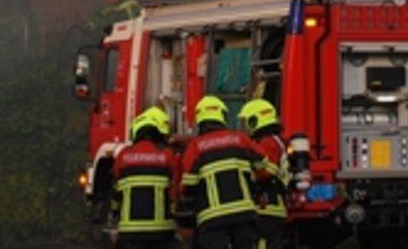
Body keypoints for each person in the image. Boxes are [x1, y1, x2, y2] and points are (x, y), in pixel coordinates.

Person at [179, 95, 268, 249]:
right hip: (244, 215)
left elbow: (188, 185)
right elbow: (263, 162)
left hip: (212, 219)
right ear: (223, 117)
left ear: (199, 120)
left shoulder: (195, 147)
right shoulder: (241, 139)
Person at [112, 106, 179, 249]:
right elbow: (177, 190)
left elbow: (115, 193)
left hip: (129, 234)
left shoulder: (123, 157)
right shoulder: (167, 155)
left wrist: (116, 214)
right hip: (161, 234)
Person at [238, 99, 289, 249]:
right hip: (269, 205)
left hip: (268, 206)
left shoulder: (268, 142)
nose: (245, 126)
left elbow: (267, 172)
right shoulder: (272, 140)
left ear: (255, 120)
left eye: (247, 121)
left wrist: (244, 177)